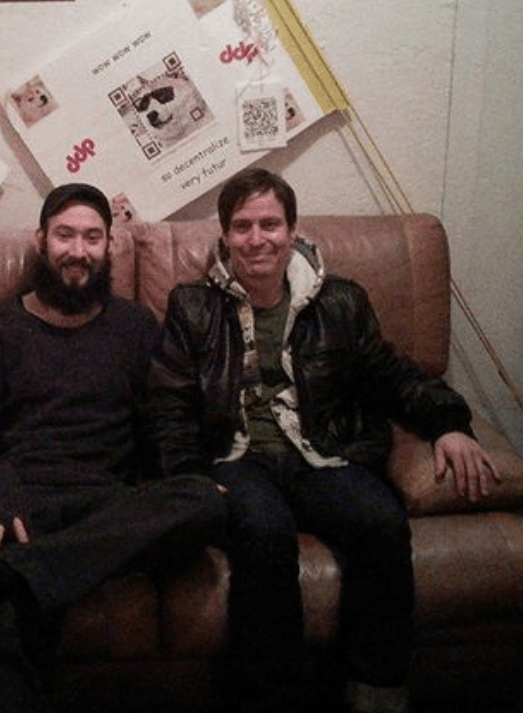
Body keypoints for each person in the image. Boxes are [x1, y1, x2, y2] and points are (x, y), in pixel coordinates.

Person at [147, 167, 501, 713]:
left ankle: (376, 689)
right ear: (225, 235)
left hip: (322, 451)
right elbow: (168, 402)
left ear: (292, 230)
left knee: (381, 522)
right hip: (236, 457)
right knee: (265, 533)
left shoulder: (341, 301)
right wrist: (189, 477)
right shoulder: (193, 306)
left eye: (270, 224)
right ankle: (273, 697)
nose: (257, 239)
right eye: (242, 226)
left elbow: (392, 376)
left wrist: (449, 423)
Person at [0, 183, 226, 713]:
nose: (78, 251)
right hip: (22, 501)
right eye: (65, 236)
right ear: (41, 240)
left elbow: (161, 424)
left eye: (92, 238)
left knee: (206, 502)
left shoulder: (135, 326)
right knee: (1, 629)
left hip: (105, 504)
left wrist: (186, 475)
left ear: (109, 246)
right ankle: (11, 581)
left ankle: (0, 577)